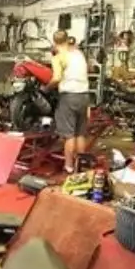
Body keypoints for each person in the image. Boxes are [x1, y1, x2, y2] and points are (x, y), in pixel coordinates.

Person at [47, 29, 91, 173]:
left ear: (54, 42)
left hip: (69, 97)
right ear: (67, 39)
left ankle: (69, 166)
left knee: (69, 135)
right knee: (80, 133)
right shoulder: (79, 54)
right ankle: (81, 165)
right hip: (84, 96)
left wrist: (45, 88)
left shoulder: (58, 58)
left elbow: (57, 78)